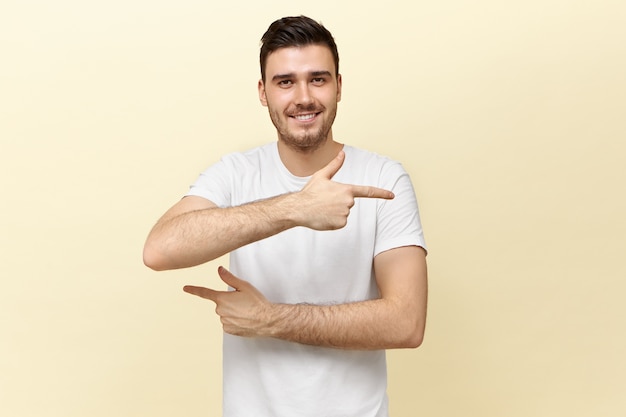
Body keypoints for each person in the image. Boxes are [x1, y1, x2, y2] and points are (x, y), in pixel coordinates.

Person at [143, 15, 428, 417]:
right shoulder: (236, 173)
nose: (303, 97)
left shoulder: (383, 177)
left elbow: (407, 322)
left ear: (339, 86)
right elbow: (159, 250)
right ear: (263, 92)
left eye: (318, 79)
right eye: (285, 82)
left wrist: (271, 320)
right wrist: (296, 207)